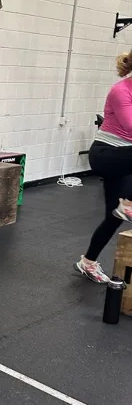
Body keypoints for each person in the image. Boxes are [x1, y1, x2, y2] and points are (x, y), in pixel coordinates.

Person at [76, 51, 132, 283]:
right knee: (121, 209)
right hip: (106, 154)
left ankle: (87, 262)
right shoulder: (121, 91)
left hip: (127, 159)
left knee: (113, 217)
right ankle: (127, 203)